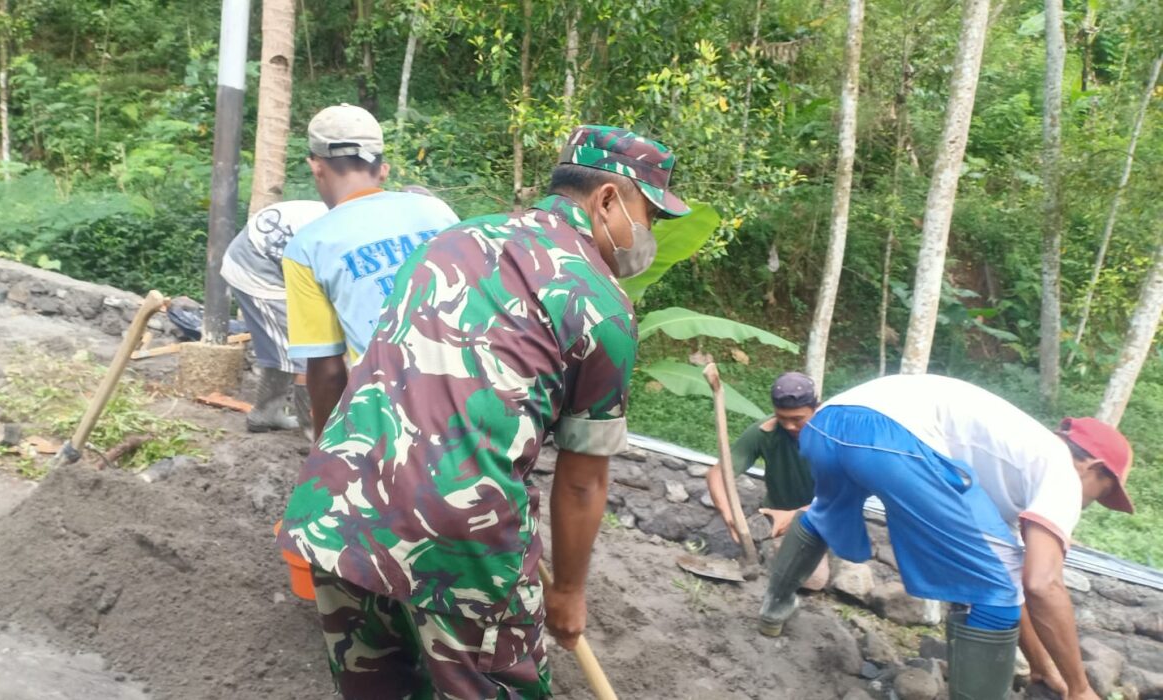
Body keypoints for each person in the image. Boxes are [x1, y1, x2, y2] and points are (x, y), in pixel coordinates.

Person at [278, 125, 690, 698]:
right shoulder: (601, 307)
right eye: (648, 215)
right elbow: (581, 482)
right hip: (460, 539)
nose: (646, 234)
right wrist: (567, 593)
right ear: (607, 199)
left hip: (337, 507)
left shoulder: (455, 239)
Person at [758, 374, 1135, 700]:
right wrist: (1080, 687)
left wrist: (1041, 665)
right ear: (1094, 468)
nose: (1090, 504)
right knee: (994, 591)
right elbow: (1042, 585)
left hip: (828, 424)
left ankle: (772, 613)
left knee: (824, 511)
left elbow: (1016, 581)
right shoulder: (1061, 473)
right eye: (1101, 494)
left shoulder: (1014, 459)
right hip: (893, 437)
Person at [282, 103, 459, 438]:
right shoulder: (438, 213)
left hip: (394, 417)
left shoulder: (308, 246)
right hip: (477, 397)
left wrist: (326, 452)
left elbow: (328, 369)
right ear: (384, 169)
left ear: (316, 166)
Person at [706, 371, 828, 589]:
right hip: (771, 516)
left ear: (815, 409)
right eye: (782, 418)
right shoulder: (764, 432)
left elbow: (840, 499)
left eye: (798, 419)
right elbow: (716, 474)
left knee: (812, 581)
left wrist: (793, 516)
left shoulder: (834, 436)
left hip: (820, 517)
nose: (789, 426)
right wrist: (729, 515)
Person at [220, 199, 327, 432]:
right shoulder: (347, 231)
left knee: (284, 346)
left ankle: (265, 414)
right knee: (307, 350)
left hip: (279, 262)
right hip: (256, 266)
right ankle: (316, 432)